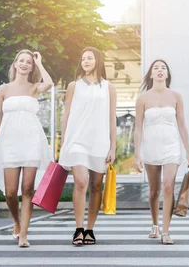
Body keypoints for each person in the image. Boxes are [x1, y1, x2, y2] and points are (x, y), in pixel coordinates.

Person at [0, 50, 53, 248]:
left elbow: (49, 84)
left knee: (27, 189)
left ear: (32, 67)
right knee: (10, 192)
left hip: (31, 140)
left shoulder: (34, 87)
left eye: (29, 62)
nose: (25, 64)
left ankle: (24, 234)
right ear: (15, 64)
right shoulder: (3, 90)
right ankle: (16, 222)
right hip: (9, 143)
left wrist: (40, 62)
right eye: (21, 61)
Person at [59, 47, 117, 246]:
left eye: (89, 58)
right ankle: (78, 228)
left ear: (97, 61)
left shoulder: (108, 87)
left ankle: (90, 229)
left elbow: (111, 119)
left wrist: (113, 147)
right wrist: (64, 141)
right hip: (77, 141)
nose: (85, 61)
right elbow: (66, 114)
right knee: (81, 181)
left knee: (95, 186)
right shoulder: (74, 86)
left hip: (100, 142)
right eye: (83, 58)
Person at [134, 59, 189, 245]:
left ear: (167, 74)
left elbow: (182, 125)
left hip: (171, 146)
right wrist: (137, 154)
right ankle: (154, 224)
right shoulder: (142, 98)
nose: (160, 71)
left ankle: (166, 231)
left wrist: (188, 151)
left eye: (163, 68)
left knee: (168, 186)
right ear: (151, 74)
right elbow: (137, 128)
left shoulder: (176, 96)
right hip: (151, 146)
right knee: (154, 191)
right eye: (156, 68)